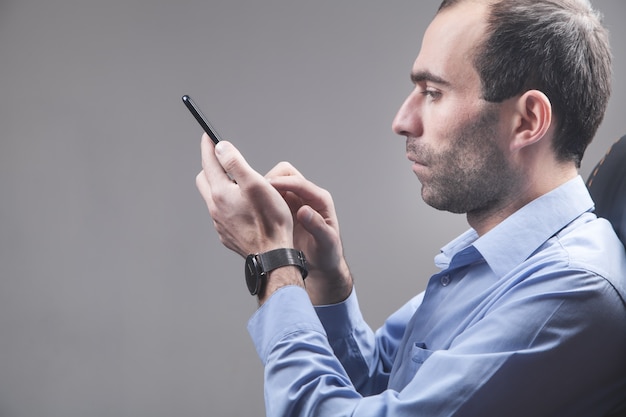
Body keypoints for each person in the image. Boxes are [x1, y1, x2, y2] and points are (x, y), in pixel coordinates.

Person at [195, 0, 626, 415]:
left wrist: (275, 262)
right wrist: (326, 280)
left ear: (528, 120)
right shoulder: (489, 260)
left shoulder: (568, 292)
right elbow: (378, 390)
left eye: (433, 92)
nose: (402, 120)